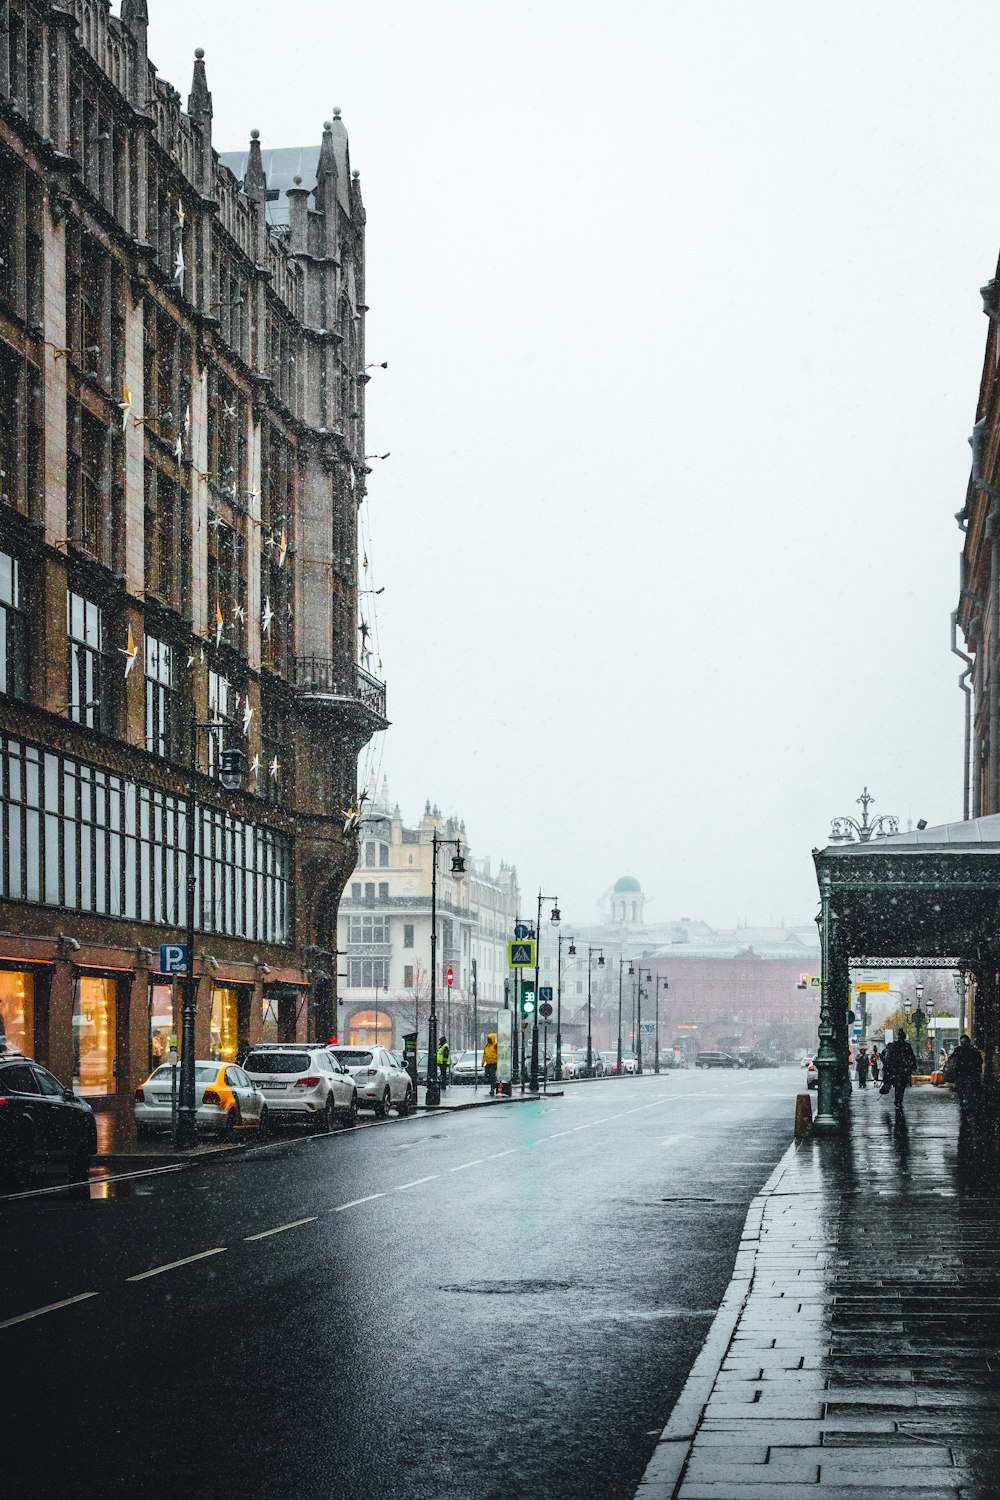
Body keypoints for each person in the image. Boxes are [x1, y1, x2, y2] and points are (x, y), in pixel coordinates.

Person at [883, 1028, 918, 1111]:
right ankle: (899, 1101)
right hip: (902, 1069)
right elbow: (911, 1057)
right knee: (901, 1086)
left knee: (898, 1086)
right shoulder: (906, 1046)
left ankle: (898, 1100)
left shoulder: (894, 1046)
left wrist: (889, 1067)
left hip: (896, 1069)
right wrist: (912, 1066)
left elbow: (889, 1057)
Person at [951, 1033, 983, 1118]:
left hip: (964, 1074)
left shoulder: (960, 1050)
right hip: (967, 1074)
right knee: (966, 1091)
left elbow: (952, 1060)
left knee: (964, 1091)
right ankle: (966, 1107)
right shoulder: (973, 1051)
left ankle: (965, 1106)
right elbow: (979, 1062)